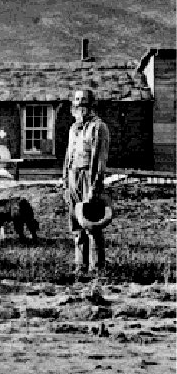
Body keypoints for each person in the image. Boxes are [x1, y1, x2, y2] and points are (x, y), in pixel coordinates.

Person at [63, 89, 111, 278]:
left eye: (84, 100)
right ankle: (79, 267)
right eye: (76, 100)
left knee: (91, 224)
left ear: (91, 104)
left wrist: (94, 187)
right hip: (73, 178)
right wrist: (65, 180)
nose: (79, 104)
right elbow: (69, 156)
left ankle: (96, 269)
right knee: (76, 225)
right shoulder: (73, 128)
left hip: (88, 178)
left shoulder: (98, 127)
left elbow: (99, 159)